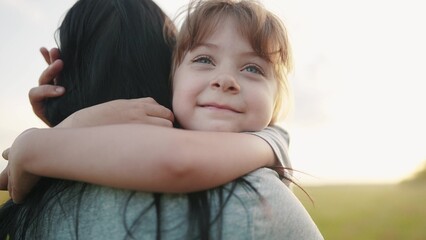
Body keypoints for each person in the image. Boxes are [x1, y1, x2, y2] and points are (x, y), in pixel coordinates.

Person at [0, 0, 323, 239]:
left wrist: (36, 145)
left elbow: (178, 160)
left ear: (277, 96)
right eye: (204, 59)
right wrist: (69, 122)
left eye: (253, 68)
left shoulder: (267, 140)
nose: (225, 80)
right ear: (171, 78)